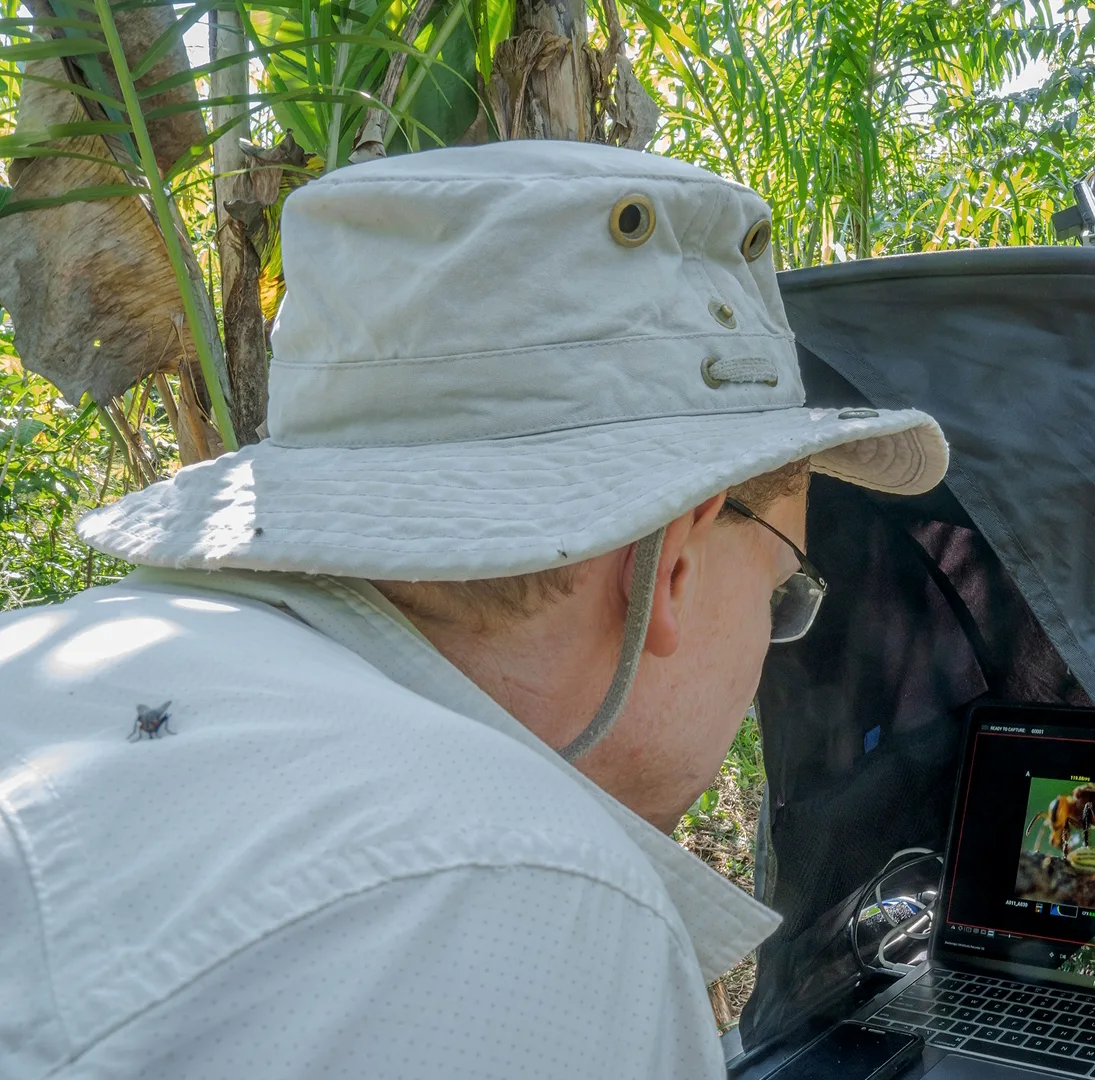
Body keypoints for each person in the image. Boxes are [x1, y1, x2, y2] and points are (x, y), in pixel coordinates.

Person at [0, 142, 948, 1079]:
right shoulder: (532, 896)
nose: (771, 641)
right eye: (785, 587)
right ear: (675, 564)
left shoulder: (44, 657)